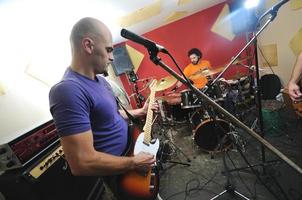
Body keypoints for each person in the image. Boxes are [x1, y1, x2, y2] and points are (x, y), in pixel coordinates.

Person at [49, 17, 156, 199]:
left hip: (132, 153)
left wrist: (141, 111)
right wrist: (133, 163)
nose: (112, 57)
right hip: (120, 169)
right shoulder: (68, 90)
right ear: (88, 45)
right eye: (108, 50)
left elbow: (111, 115)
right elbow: (81, 163)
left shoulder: (102, 81)